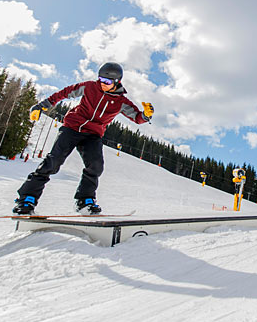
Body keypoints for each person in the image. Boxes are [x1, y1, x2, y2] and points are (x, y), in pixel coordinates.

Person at [13, 62, 154, 215]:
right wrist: (41, 106)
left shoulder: (121, 102)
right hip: (72, 128)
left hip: (93, 135)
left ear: (117, 82)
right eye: (100, 79)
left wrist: (146, 115)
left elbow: (137, 118)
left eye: (107, 82)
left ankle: (84, 201)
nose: (102, 83)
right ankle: (27, 199)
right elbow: (64, 93)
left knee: (95, 166)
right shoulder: (89, 87)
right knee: (53, 161)